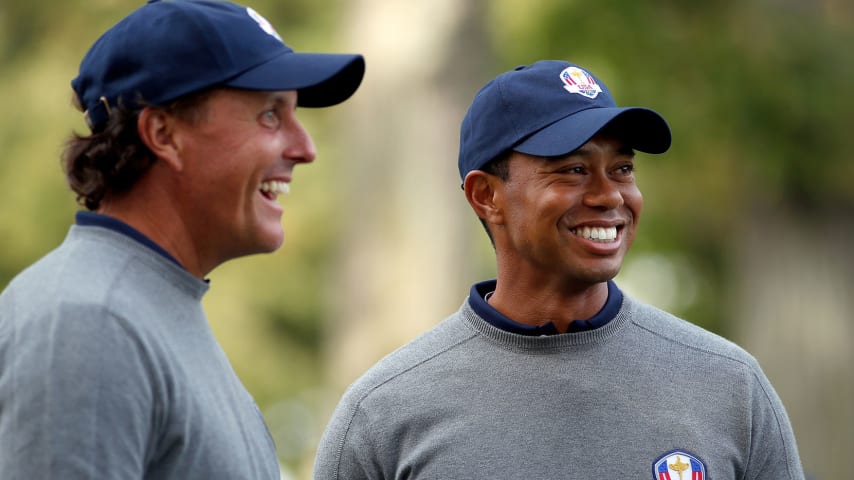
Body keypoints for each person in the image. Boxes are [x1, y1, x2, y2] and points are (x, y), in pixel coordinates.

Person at [313, 60, 805, 479]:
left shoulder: (729, 385)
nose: (610, 195)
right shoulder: (386, 410)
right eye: (573, 169)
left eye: (623, 169)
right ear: (487, 196)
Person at [0, 0, 364, 478]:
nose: (306, 148)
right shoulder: (87, 321)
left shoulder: (142, 309)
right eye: (271, 115)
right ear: (164, 133)